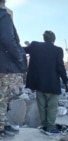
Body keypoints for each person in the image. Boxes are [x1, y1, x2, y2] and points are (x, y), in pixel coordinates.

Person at [24, 30, 68, 135]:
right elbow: (60, 67)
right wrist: (66, 80)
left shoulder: (35, 46)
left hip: (39, 84)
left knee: (42, 106)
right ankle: (50, 127)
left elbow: (22, 50)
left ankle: (45, 126)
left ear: (44, 38)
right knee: (52, 107)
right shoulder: (58, 50)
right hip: (52, 85)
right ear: (54, 39)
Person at [0, 0, 27, 138]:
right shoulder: (3, 15)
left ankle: (3, 124)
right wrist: (19, 57)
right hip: (4, 65)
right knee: (2, 97)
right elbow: (7, 39)